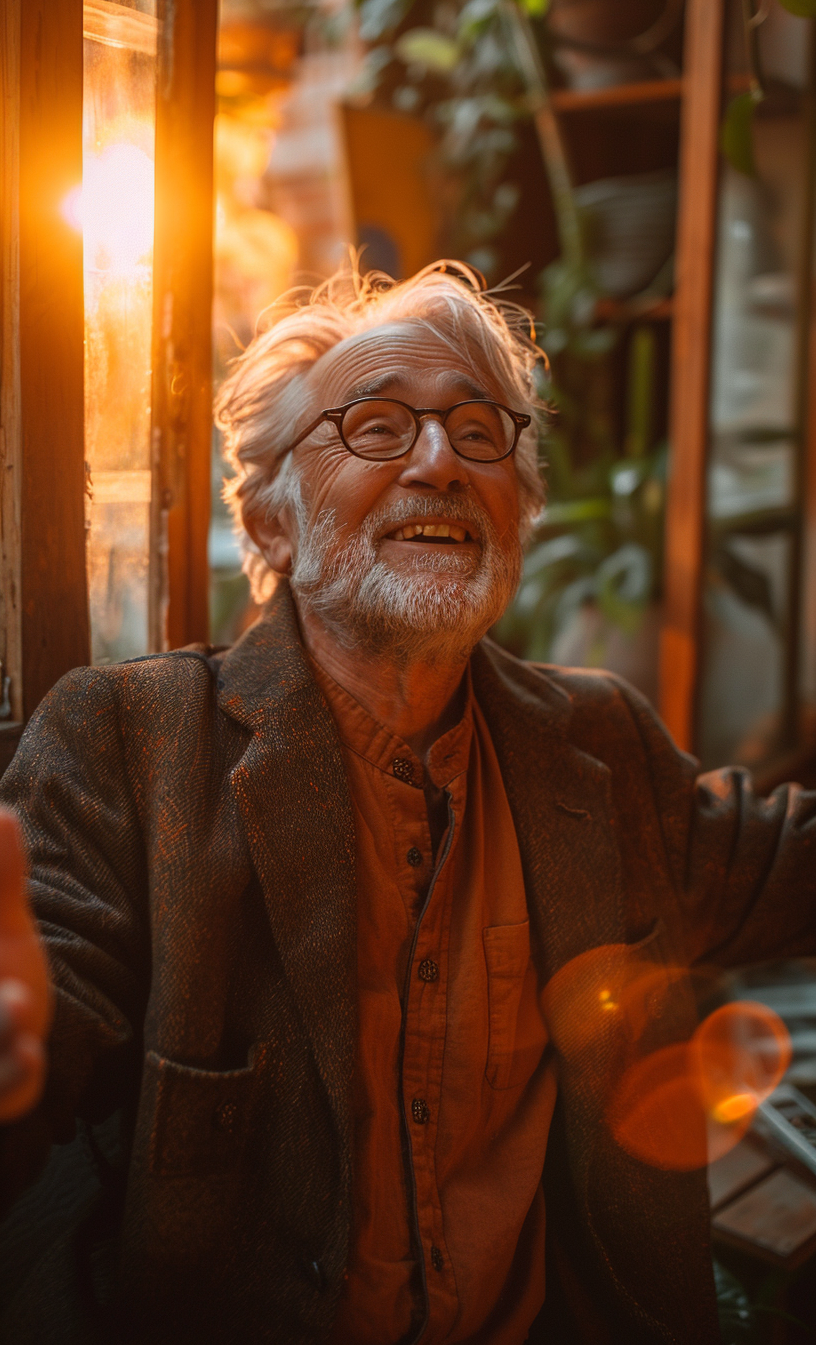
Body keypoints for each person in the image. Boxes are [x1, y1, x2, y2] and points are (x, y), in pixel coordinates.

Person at [0, 260, 815, 1345]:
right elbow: (45, 997)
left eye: (482, 433)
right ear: (274, 525)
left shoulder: (599, 747)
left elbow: (785, 865)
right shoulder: (128, 739)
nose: (439, 461)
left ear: (516, 520)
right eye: (376, 426)